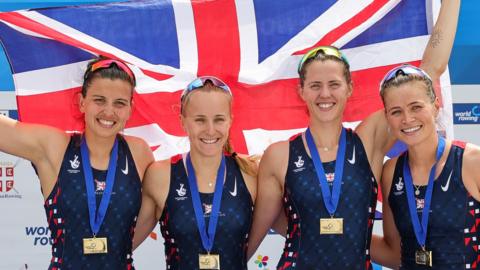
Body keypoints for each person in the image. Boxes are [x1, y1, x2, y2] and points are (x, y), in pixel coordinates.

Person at [247, 1, 460, 268]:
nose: (325, 94)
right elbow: (251, 239)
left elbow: (428, 73)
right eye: (315, 85)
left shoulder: (367, 142)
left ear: (349, 88)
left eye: (334, 84)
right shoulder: (279, 155)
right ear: (301, 91)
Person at [0, 57, 154, 269]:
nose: (108, 111)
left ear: (130, 109)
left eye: (119, 103)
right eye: (99, 100)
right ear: (82, 102)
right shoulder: (55, 147)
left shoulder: (139, 153)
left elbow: (158, 206)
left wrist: (117, 249)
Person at [132, 76, 258, 269]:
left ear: (230, 121)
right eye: (200, 120)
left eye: (219, 120)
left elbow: (300, 228)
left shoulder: (250, 174)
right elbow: (123, 245)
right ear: (183, 121)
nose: (210, 130)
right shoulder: (161, 175)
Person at [372, 63, 479, 270]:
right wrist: (334, 231)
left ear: (436, 106)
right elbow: (394, 254)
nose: (407, 119)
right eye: (396, 111)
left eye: (416, 107)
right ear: (387, 117)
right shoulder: (391, 172)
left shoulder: (472, 161)